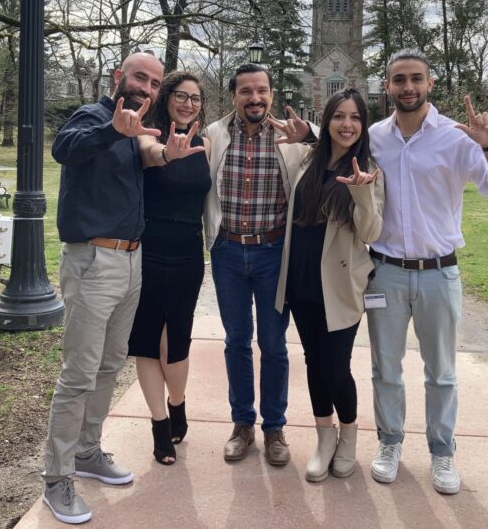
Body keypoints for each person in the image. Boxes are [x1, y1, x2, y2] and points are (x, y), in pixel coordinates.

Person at [366, 48, 488, 495]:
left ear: (429, 83)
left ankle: (441, 451)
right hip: (386, 272)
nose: (408, 87)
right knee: (385, 369)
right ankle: (390, 441)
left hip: (439, 273)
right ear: (388, 86)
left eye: (416, 78)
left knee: (442, 372)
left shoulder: (456, 136)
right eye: (399, 79)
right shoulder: (375, 136)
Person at [42, 51, 183, 525]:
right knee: (78, 374)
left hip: (131, 260)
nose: (145, 87)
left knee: (107, 366)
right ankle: (56, 479)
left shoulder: (140, 128)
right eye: (139, 77)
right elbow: (64, 148)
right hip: (92, 260)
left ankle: (87, 452)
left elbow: (148, 156)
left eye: (154, 82)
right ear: (118, 77)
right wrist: (112, 131)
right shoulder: (93, 116)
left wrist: (164, 153)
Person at [203, 62, 315, 467]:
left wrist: (313, 135)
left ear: (270, 93)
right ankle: (242, 425)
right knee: (236, 341)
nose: (255, 98)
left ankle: (274, 428)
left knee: (273, 343)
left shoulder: (291, 138)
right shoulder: (214, 135)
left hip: (273, 254)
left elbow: (339, 149)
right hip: (228, 252)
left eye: (262, 90)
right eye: (246, 90)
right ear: (234, 95)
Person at [274, 88, 384, 483]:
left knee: (336, 366)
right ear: (328, 120)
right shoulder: (310, 157)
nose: (347, 124)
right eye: (339, 116)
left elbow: (371, 230)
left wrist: (362, 193)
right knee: (313, 362)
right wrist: (304, 135)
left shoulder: (369, 169)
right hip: (302, 279)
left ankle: (350, 438)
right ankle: (324, 438)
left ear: (363, 124)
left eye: (355, 117)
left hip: (339, 283)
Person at [128, 71, 210, 466]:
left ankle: (177, 402)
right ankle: (160, 425)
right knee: (146, 339)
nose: (188, 103)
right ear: (167, 98)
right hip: (149, 248)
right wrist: (165, 153)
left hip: (189, 253)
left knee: (174, 341)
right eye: (181, 96)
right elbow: (147, 153)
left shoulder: (206, 144)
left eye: (195, 98)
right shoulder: (150, 133)